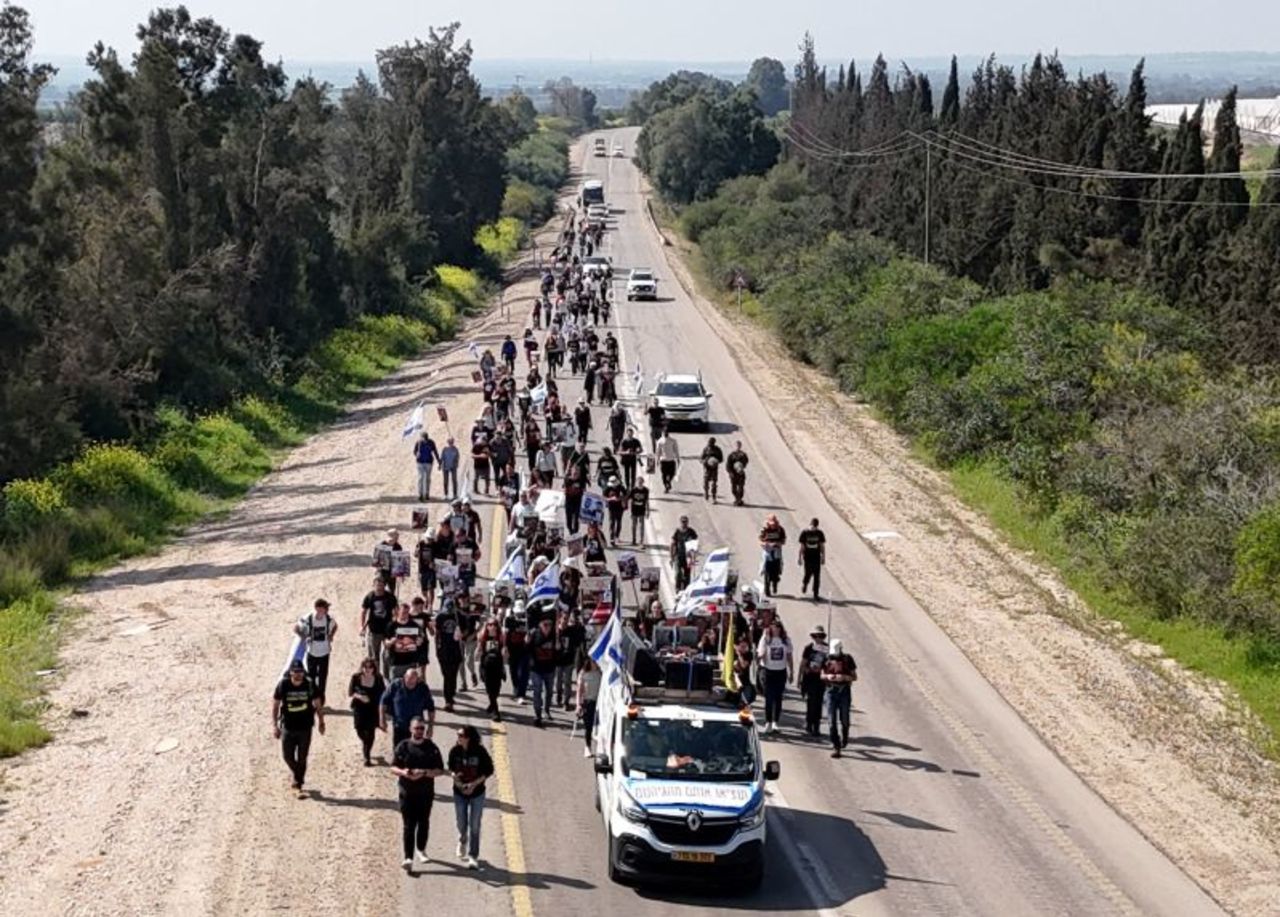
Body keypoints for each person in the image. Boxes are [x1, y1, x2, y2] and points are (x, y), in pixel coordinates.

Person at [392, 716, 447, 870]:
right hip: (407, 793)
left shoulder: (431, 747)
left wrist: (423, 773)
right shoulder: (403, 746)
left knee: (423, 822)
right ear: (410, 729)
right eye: (417, 728)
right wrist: (404, 772)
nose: (420, 731)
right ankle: (408, 857)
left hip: (425, 793)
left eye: (422, 728)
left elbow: (440, 770)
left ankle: (421, 849)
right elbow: (393, 767)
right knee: (409, 825)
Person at [272, 659, 324, 798]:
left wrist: (321, 721)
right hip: (288, 727)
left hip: (305, 727)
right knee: (287, 756)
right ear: (290, 672)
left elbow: (318, 703)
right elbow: (275, 705)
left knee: (302, 757)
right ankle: (298, 775)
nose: (298, 674)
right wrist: (274, 726)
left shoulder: (310, 685)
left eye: (300, 672)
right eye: (295, 672)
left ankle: (298, 783)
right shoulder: (283, 685)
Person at [449, 725, 494, 869]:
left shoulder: (480, 752)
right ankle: (462, 839)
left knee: (475, 825)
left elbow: (489, 770)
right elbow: (451, 770)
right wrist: (459, 783)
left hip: (477, 793)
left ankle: (473, 855)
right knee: (461, 822)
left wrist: (474, 785)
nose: (458, 738)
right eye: (458, 735)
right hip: (459, 792)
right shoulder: (454, 751)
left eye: (461, 735)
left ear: (468, 738)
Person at [294, 598, 338, 705]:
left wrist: (331, 635)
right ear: (318, 608)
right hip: (312, 652)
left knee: (323, 678)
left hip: (324, 652)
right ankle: (312, 699)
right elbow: (296, 628)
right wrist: (305, 637)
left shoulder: (328, 619)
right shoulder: (308, 618)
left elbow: (335, 626)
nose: (326, 610)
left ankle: (321, 701)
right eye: (324, 608)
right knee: (311, 677)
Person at [381, 668, 436, 748]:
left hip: (417, 728)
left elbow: (431, 708)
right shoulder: (395, 685)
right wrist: (382, 720)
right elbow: (383, 701)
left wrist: (430, 727)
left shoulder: (422, 688)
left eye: (414, 681)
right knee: (398, 749)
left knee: (416, 750)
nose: (411, 683)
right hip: (400, 726)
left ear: (417, 680)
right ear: (404, 677)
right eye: (409, 680)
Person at [756, 621, 793, 735]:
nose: (775, 630)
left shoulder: (785, 640)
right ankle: (768, 722)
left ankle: (775, 722)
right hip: (768, 671)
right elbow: (760, 654)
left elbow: (789, 656)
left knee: (778, 698)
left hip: (780, 671)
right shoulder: (765, 639)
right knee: (769, 698)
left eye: (777, 628)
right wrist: (762, 652)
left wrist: (791, 671)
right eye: (772, 628)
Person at [822, 638, 858, 757]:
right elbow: (821, 675)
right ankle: (836, 746)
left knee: (845, 719)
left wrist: (844, 677)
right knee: (831, 721)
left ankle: (845, 734)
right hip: (831, 691)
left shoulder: (848, 659)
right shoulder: (826, 659)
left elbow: (854, 677)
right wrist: (829, 676)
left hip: (844, 691)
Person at [348, 657, 386, 766]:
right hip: (359, 708)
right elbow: (351, 692)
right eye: (365, 667)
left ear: (374, 668)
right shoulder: (356, 677)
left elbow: (383, 694)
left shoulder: (378, 679)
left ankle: (367, 756)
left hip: (373, 709)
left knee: (371, 733)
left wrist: (383, 710)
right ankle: (366, 746)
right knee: (359, 730)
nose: (367, 669)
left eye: (370, 667)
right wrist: (359, 696)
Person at [360, 577, 398, 677]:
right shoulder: (370, 596)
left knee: (387, 655)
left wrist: (395, 624)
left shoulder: (390, 597)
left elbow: (395, 611)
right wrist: (362, 626)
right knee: (373, 656)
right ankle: (375, 676)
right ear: (374, 585)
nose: (379, 588)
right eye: (377, 585)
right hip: (374, 630)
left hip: (387, 631)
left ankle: (386, 676)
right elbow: (364, 612)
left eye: (381, 585)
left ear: (384, 586)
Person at [798, 625, 830, 737]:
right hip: (809, 678)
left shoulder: (827, 648)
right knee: (811, 702)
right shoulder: (809, 648)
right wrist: (800, 678)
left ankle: (816, 726)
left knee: (818, 703)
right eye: (816, 636)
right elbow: (803, 663)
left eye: (820, 636)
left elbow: (830, 665)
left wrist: (822, 669)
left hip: (821, 680)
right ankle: (809, 724)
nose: (818, 638)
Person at [434, 599, 464, 712]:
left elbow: (466, 630)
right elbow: (437, 634)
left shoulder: (459, 616)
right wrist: (437, 648)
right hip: (444, 650)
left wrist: (461, 634)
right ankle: (449, 695)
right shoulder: (440, 617)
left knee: (452, 675)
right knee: (446, 675)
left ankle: (449, 699)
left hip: (456, 650)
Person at [529, 616, 558, 727]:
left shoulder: (555, 636)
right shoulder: (534, 634)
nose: (548, 627)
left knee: (549, 692)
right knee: (537, 691)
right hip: (536, 669)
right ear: (540, 625)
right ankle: (538, 715)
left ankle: (547, 710)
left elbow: (558, 655)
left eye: (550, 625)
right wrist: (527, 643)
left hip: (549, 669)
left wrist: (558, 649)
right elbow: (527, 651)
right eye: (545, 625)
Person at [385, 603, 426, 682]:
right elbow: (386, 642)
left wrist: (419, 642)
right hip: (396, 662)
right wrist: (391, 642)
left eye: (407, 613)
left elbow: (420, 639)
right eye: (403, 612)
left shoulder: (414, 625)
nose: (405, 615)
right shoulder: (392, 625)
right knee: (395, 686)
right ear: (398, 612)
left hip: (410, 662)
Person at [555, 609, 585, 709]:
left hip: (568, 660)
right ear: (559, 619)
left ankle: (566, 701)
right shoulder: (556, 631)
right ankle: (559, 697)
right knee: (558, 681)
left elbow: (580, 632)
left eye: (567, 619)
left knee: (567, 682)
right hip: (558, 661)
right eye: (563, 618)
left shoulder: (571, 631)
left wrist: (580, 620)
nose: (565, 621)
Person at [478, 618, 507, 721]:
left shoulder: (500, 637)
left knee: (496, 690)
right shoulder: (483, 637)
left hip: (497, 667)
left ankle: (491, 705)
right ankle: (496, 711)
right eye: (489, 625)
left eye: (494, 625)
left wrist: (504, 652)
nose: (492, 627)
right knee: (490, 690)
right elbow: (479, 652)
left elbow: (504, 650)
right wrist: (478, 651)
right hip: (486, 667)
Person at [576, 655, 602, 757]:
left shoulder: (600, 673)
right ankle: (587, 746)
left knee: (600, 726)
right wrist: (578, 705)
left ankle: (600, 747)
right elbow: (579, 690)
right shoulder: (583, 673)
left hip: (599, 702)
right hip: (588, 702)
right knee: (588, 726)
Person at [798, 517, 827, 601]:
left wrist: (823, 557)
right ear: (810, 525)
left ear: (817, 526)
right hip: (807, 557)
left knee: (817, 576)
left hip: (816, 557)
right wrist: (799, 558)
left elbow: (822, 546)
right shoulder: (805, 533)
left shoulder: (820, 533)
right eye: (812, 527)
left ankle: (815, 594)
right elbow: (802, 546)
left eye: (815, 527)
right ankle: (805, 583)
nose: (813, 529)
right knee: (808, 573)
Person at [759, 514, 788, 598]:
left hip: (777, 552)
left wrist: (778, 543)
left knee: (777, 569)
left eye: (774, 524)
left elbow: (784, 541)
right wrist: (766, 544)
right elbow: (760, 541)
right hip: (767, 551)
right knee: (765, 567)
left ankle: (775, 582)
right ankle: (767, 587)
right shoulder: (764, 529)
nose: (773, 526)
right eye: (771, 524)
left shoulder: (780, 529)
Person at [671, 516, 698, 591]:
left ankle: (687, 589)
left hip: (688, 557)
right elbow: (672, 544)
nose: (684, 523)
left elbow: (695, 544)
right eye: (682, 522)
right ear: (680, 522)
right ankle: (677, 588)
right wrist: (672, 557)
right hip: (678, 556)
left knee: (687, 575)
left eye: (685, 522)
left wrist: (693, 558)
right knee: (678, 573)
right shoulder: (677, 531)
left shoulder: (691, 532)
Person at [414, 432, 441, 502]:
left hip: (429, 462)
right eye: (424, 438)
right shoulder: (418, 443)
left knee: (427, 478)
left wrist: (439, 462)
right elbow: (414, 451)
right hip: (420, 462)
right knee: (421, 478)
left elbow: (435, 452)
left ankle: (427, 493)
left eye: (426, 438)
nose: (425, 440)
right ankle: (420, 494)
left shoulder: (431, 443)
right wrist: (417, 454)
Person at [603, 475, 626, 546]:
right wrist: (610, 499)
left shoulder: (621, 487)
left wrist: (621, 499)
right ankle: (611, 538)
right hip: (611, 507)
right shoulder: (607, 488)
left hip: (619, 507)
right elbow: (604, 497)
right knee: (612, 522)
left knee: (618, 522)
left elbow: (626, 495)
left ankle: (617, 536)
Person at [700, 437, 724, 502]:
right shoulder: (705, 449)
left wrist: (716, 461)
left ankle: (714, 496)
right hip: (707, 468)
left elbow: (721, 459)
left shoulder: (717, 450)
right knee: (706, 482)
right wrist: (706, 461)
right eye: (709, 442)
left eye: (711, 442)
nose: (710, 444)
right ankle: (706, 493)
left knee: (714, 483)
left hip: (714, 469)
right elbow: (701, 459)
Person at [628, 477, 650, 546]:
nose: (640, 484)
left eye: (641, 482)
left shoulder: (646, 490)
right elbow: (629, 499)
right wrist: (629, 510)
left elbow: (646, 501)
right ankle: (633, 540)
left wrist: (648, 511)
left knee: (641, 526)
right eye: (638, 482)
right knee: (633, 526)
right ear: (636, 482)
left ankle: (641, 541)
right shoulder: (633, 490)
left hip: (642, 510)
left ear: (643, 483)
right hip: (634, 510)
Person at [726, 441, 749, 506]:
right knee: (733, 489)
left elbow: (746, 462)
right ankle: (737, 499)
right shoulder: (731, 455)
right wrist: (730, 472)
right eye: (736, 446)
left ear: (740, 446)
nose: (737, 447)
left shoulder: (743, 455)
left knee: (741, 488)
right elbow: (728, 465)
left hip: (740, 474)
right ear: (734, 446)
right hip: (733, 474)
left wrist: (740, 466)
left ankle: (739, 500)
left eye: (739, 446)